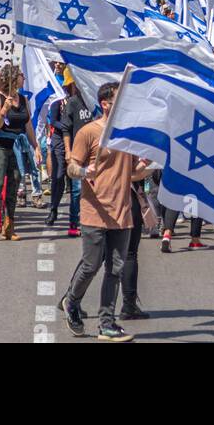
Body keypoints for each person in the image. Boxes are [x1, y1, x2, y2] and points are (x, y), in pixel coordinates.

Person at [59, 81, 147, 341]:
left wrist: (152, 165)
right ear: (105, 104)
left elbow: (133, 172)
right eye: (118, 100)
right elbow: (72, 167)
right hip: (95, 210)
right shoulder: (88, 132)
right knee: (91, 264)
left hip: (122, 211)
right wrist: (86, 171)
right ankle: (72, 301)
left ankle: (106, 323)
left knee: (115, 269)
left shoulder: (127, 135)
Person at [0, 64, 38, 242]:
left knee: (14, 185)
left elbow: (28, 124)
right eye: (21, 75)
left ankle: (9, 226)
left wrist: (35, 147)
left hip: (16, 146)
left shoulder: (22, 99)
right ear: (13, 78)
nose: (24, 78)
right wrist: (4, 109)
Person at [49, 71, 93, 236]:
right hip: (77, 152)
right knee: (76, 189)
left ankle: (91, 221)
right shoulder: (72, 103)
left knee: (96, 189)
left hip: (95, 153)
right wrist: (68, 151)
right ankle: (73, 223)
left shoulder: (95, 103)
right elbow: (66, 128)